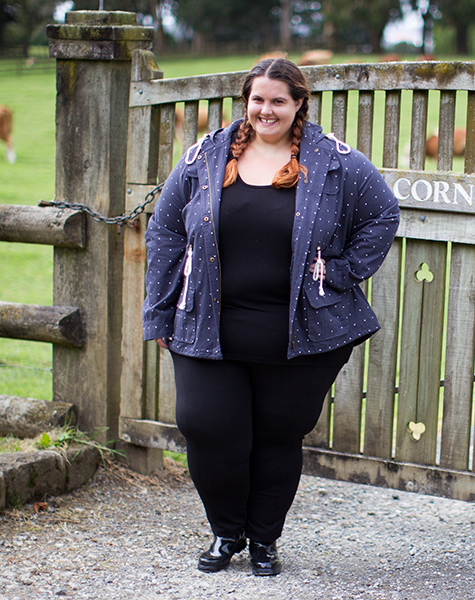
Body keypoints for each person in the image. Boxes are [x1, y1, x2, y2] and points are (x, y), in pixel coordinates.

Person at [142, 57, 400, 576]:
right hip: (207, 326)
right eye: (258, 99)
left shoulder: (333, 161)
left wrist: (342, 272)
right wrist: (160, 311)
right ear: (246, 101)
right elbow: (165, 230)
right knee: (207, 427)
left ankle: (263, 540)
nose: (267, 109)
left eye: (279, 100)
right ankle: (225, 531)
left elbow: (382, 213)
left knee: (277, 437)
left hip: (300, 334)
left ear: (299, 103)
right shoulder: (205, 157)